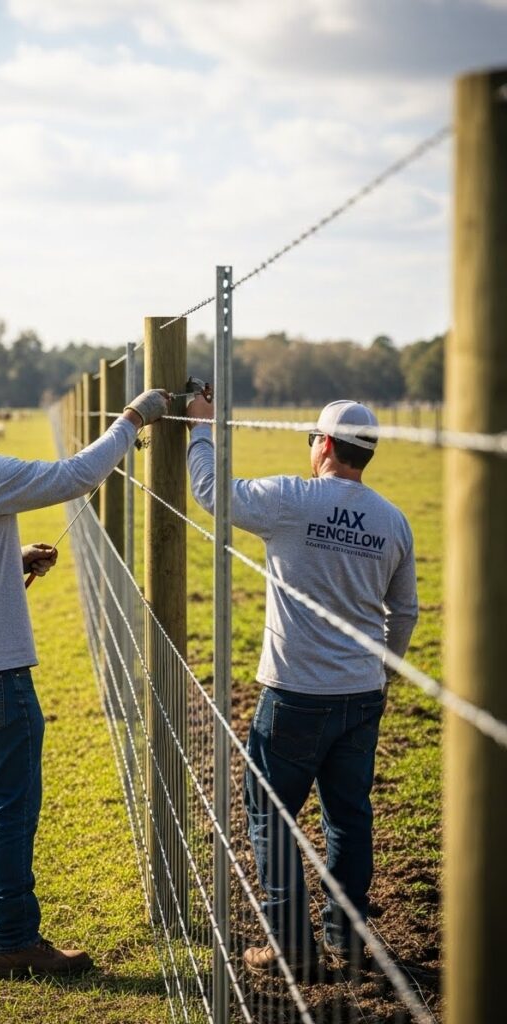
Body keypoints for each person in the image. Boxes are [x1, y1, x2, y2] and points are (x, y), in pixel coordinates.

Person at [0, 370, 168, 979]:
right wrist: (133, 420)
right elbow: (76, 476)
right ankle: (13, 942)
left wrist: (8, 559)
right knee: (8, 808)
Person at [185, 396, 418, 973]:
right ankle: (348, 936)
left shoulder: (292, 499)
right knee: (347, 815)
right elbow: (405, 611)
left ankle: (290, 940)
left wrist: (199, 430)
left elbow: (213, 494)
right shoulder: (393, 520)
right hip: (361, 694)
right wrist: (381, 670)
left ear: (325, 445)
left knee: (269, 812)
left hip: (293, 693)